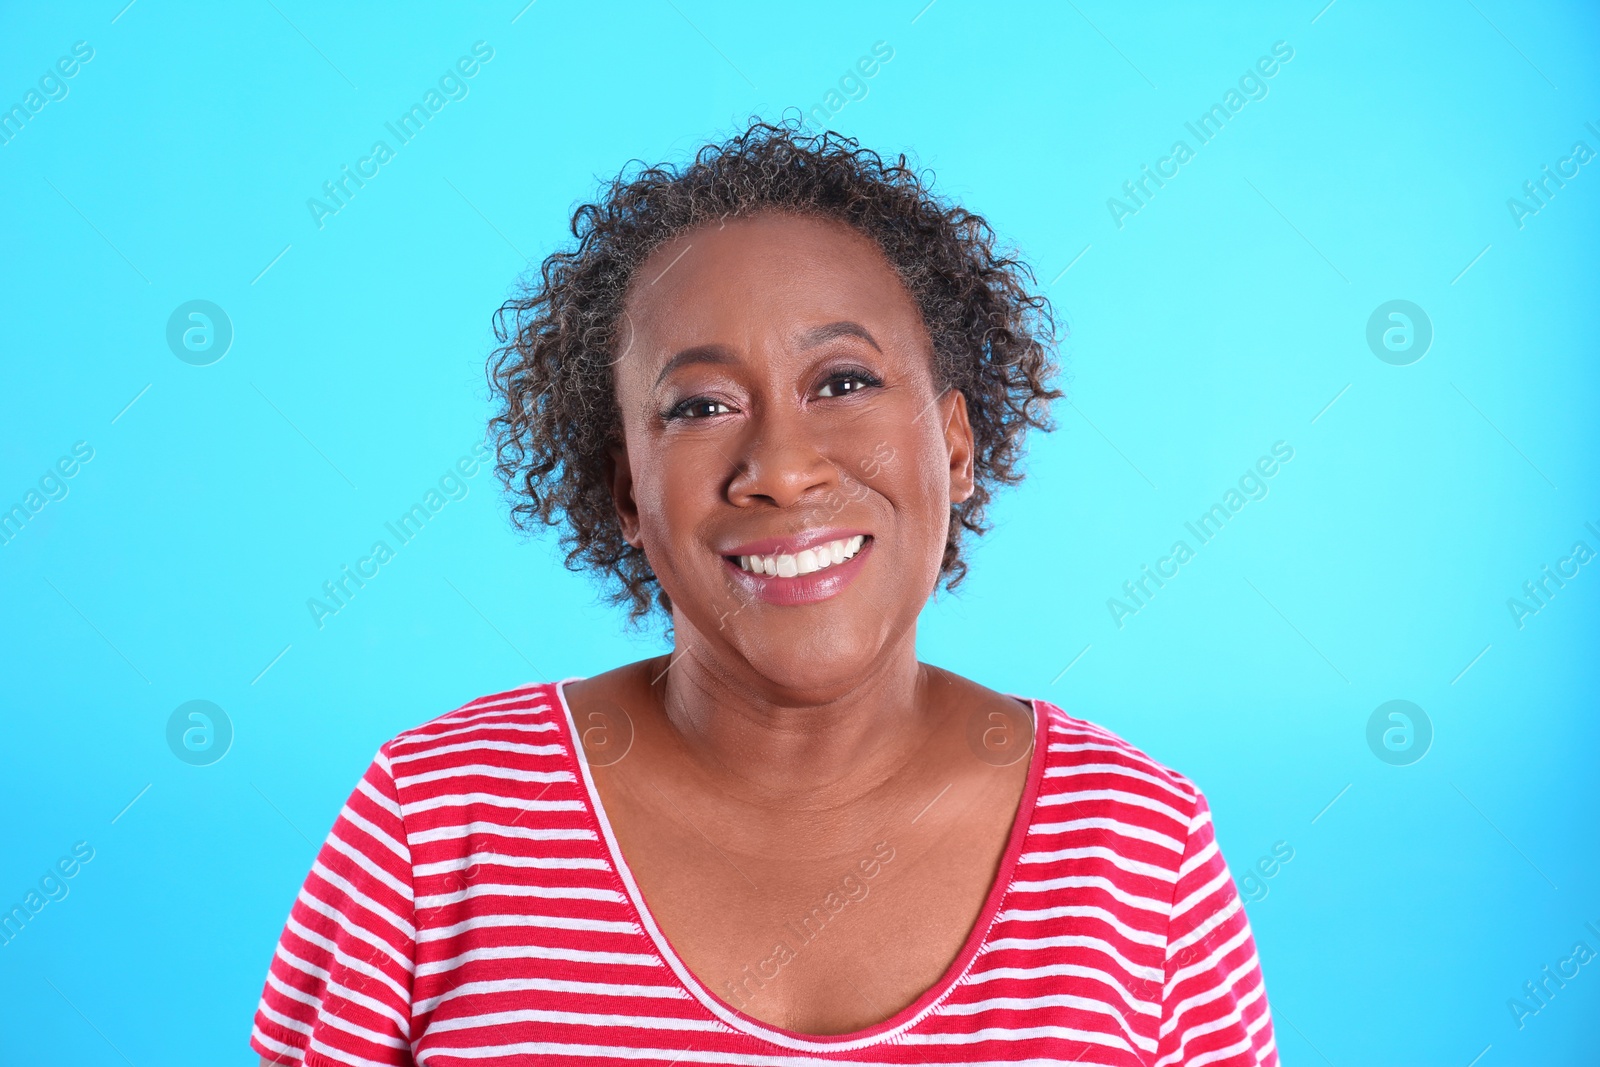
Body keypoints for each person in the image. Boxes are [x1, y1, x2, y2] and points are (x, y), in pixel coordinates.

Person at [252, 118, 1277, 1066]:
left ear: (955, 444)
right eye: (699, 405)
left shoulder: (1136, 843)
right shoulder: (435, 824)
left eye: (842, 382)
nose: (781, 468)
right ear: (625, 491)